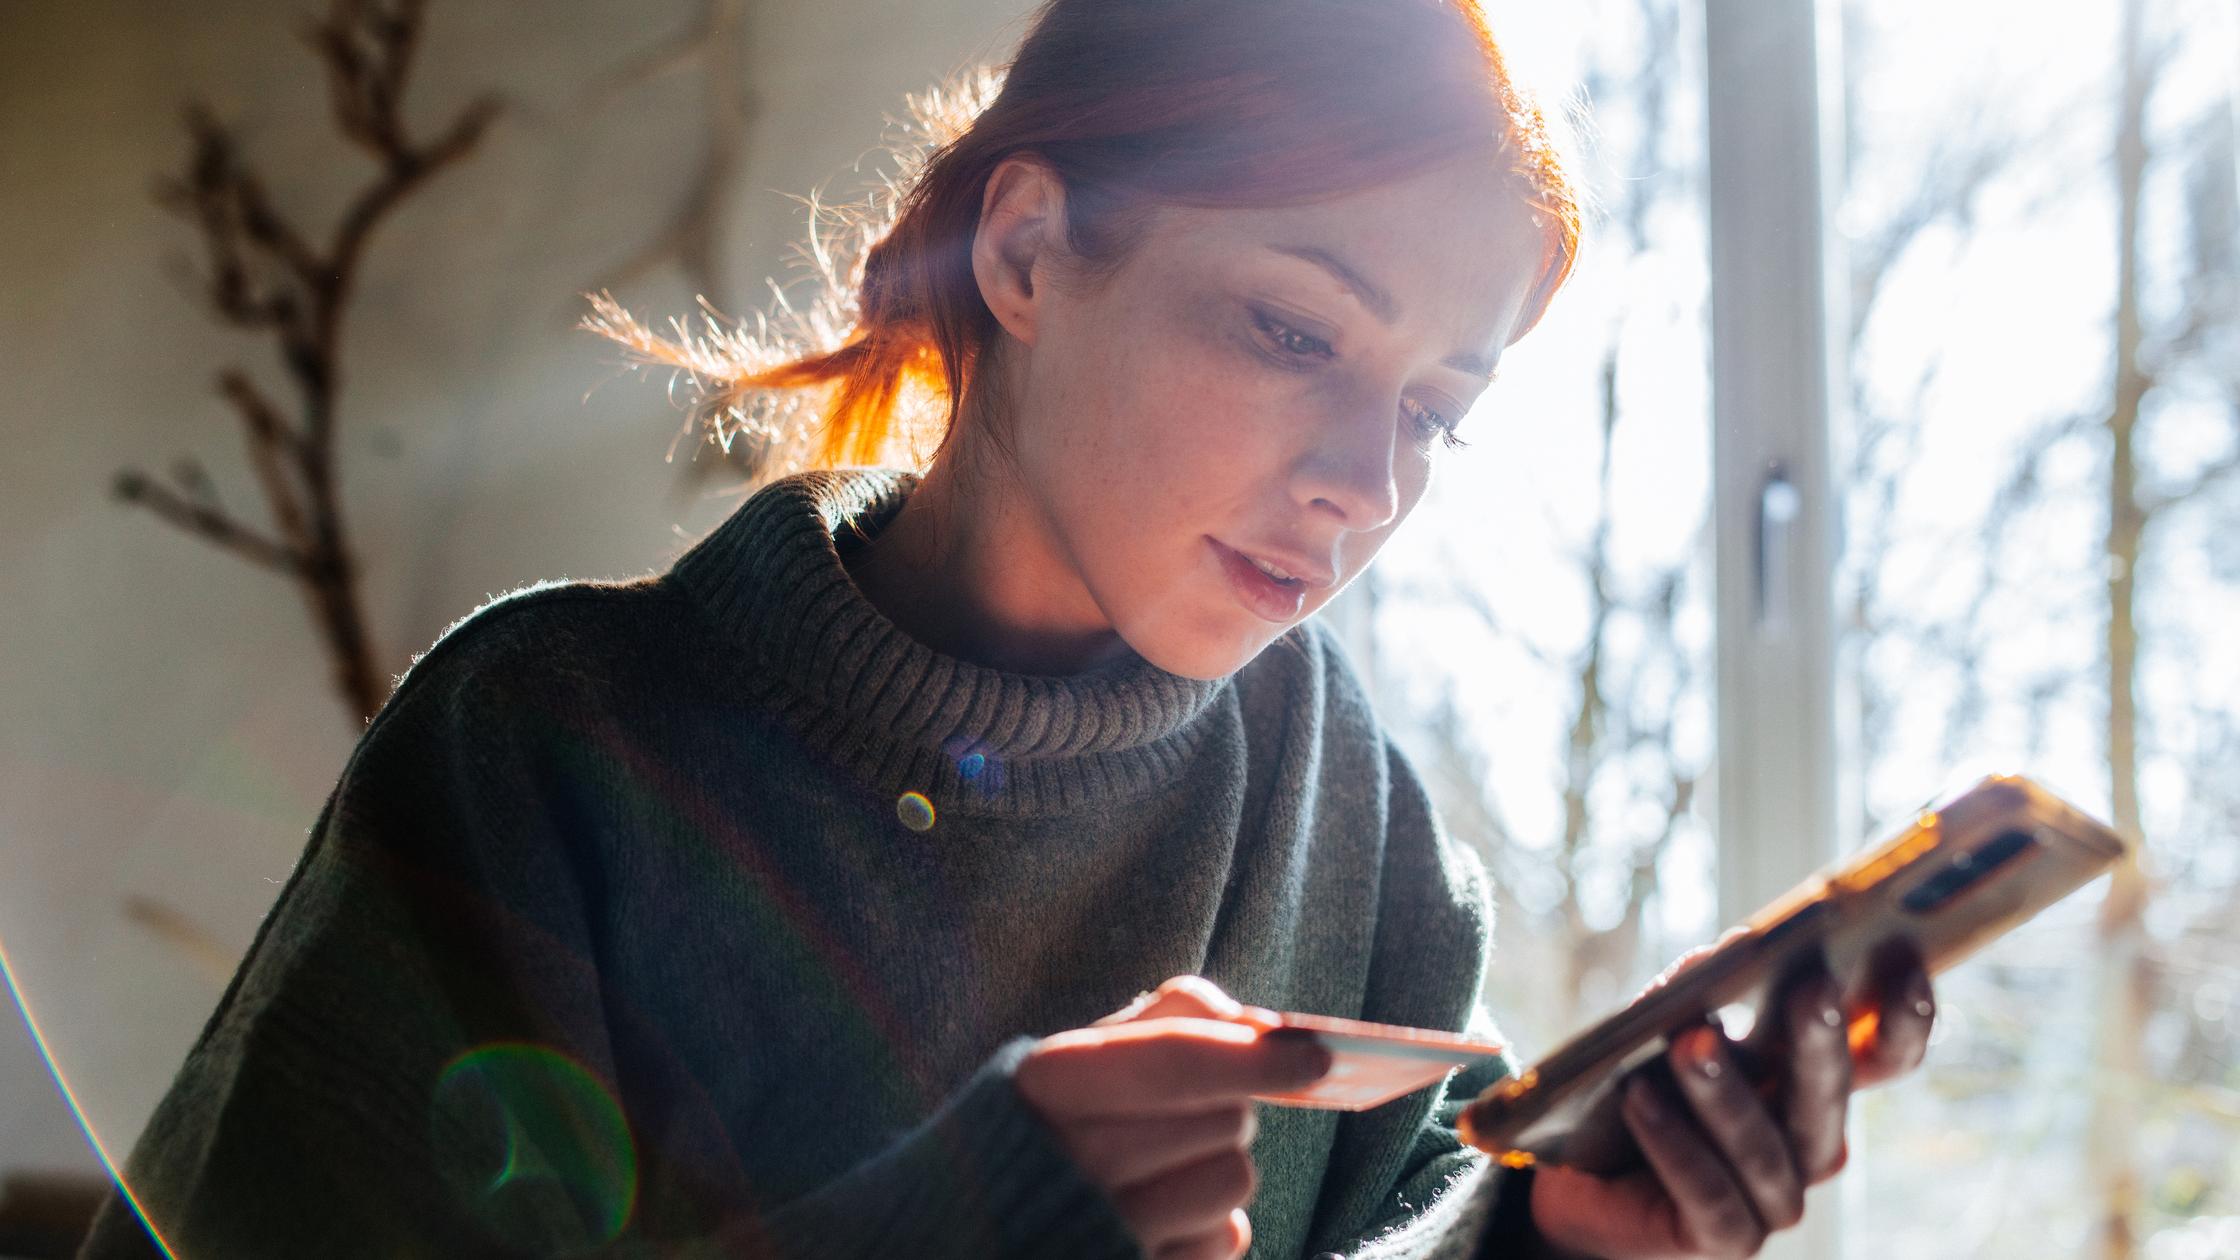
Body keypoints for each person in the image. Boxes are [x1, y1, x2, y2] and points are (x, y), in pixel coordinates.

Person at [78, 1, 1937, 1257]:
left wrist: (1545, 1239)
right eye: (1296, 332)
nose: (1368, 481)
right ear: (1028, 251)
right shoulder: (546, 749)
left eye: (1437, 411)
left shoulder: (1345, 803)